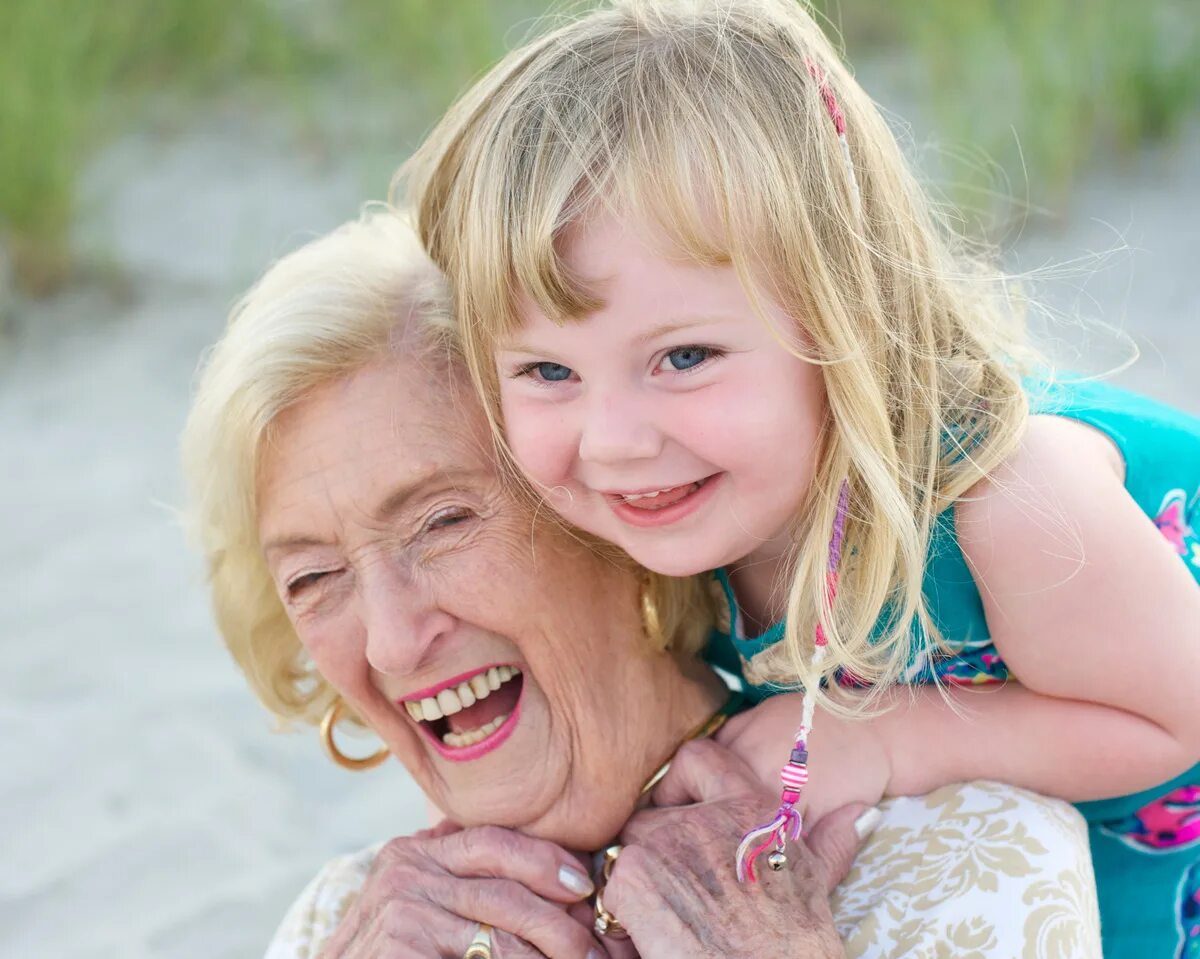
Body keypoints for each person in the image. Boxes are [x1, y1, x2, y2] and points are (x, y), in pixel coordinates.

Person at [400, 0, 1200, 953]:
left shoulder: (1009, 496)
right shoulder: (657, 508)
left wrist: (883, 742)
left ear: (841, 315)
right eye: (547, 372)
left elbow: (1170, 715)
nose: (610, 441)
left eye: (685, 356)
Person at [181, 210, 1100, 958]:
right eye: (314, 577)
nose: (387, 639)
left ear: (621, 511)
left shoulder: (966, 852)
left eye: (444, 522)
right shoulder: (344, 924)